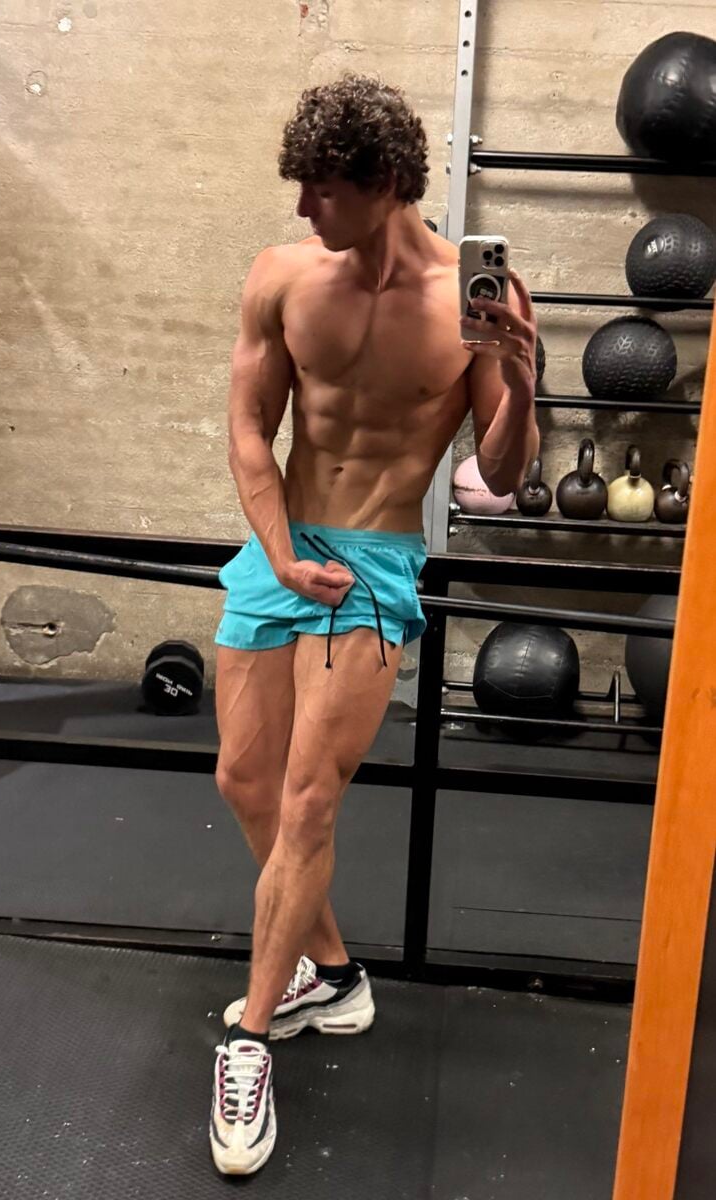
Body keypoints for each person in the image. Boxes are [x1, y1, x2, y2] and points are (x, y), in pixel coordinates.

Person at [209, 74, 539, 1176]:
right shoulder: (282, 275)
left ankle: (252, 1043)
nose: (303, 207)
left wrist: (521, 380)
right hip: (281, 547)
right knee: (244, 783)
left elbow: (501, 472)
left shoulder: (470, 298)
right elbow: (249, 429)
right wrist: (277, 552)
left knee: (307, 801)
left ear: (386, 181)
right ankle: (335, 977)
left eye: (323, 190)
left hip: (374, 564)